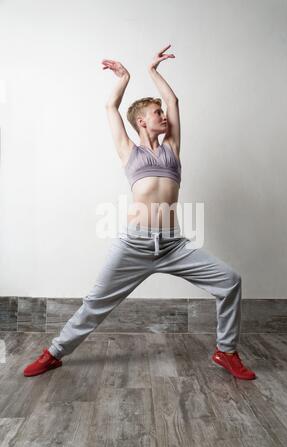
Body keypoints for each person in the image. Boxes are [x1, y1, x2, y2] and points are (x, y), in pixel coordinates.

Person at [23, 45, 256, 380]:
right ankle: (54, 353)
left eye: (162, 112)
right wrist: (124, 78)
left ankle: (226, 351)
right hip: (134, 244)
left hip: (173, 245)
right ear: (141, 121)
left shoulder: (172, 148)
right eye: (155, 112)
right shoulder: (128, 151)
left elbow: (174, 103)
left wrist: (153, 72)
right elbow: (110, 106)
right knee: (95, 303)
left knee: (230, 281)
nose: (163, 115)